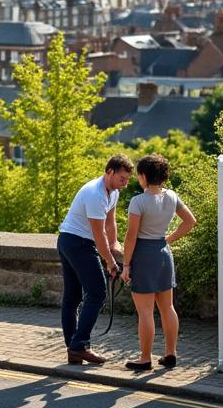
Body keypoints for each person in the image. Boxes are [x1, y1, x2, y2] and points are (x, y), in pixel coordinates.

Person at [121, 154, 196, 371]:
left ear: (143, 176)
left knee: (145, 312)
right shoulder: (172, 196)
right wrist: (169, 239)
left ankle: (145, 358)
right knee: (168, 307)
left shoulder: (138, 201)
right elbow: (190, 221)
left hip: (144, 255)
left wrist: (126, 265)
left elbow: (131, 236)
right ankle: (170, 354)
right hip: (164, 253)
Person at [58, 155, 132, 365]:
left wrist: (115, 243)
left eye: (127, 180)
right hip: (78, 243)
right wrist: (110, 261)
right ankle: (79, 345)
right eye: (122, 178)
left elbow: (111, 222)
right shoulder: (95, 194)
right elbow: (98, 235)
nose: (125, 184)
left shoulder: (113, 192)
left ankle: (74, 347)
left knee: (72, 297)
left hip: (69, 241)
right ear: (109, 172)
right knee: (97, 292)